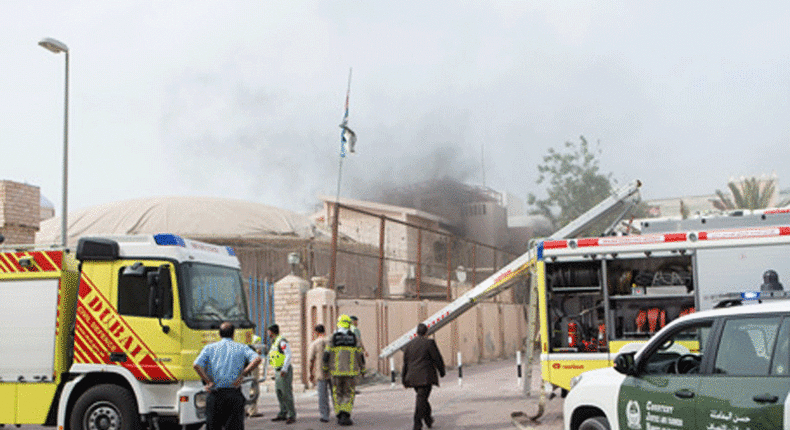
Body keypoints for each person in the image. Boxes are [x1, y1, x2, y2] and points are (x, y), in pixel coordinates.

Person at [193, 322, 262, 430]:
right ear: (233, 334)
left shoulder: (209, 348)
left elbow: (196, 365)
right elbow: (257, 359)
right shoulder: (241, 348)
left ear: (219, 334)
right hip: (233, 394)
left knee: (213, 427)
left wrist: (208, 381)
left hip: (215, 395)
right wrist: (243, 374)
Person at [402, 323, 445, 430]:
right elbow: (437, 358)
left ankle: (428, 419)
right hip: (425, 377)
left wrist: (404, 378)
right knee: (421, 398)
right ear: (426, 332)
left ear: (417, 332)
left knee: (422, 398)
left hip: (412, 377)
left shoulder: (409, 345)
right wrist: (442, 371)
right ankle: (417, 422)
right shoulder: (429, 343)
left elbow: (405, 363)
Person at [323, 314, 364, 426]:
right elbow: (360, 355)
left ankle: (339, 414)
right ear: (349, 324)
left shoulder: (332, 337)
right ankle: (346, 414)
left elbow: (326, 354)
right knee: (349, 393)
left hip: (335, 372)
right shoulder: (354, 338)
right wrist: (363, 369)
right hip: (351, 372)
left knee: (337, 393)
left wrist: (325, 368)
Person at [267, 324, 296, 424]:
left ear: (272, 332)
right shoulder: (274, 342)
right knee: (279, 393)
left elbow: (288, 355)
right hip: (278, 371)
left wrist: (284, 369)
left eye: (268, 331)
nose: (267, 333)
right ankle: (283, 413)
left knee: (286, 393)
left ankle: (291, 415)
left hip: (284, 371)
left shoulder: (282, 341)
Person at [307, 324, 332, 423]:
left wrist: (310, 373)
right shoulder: (330, 342)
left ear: (316, 332)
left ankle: (325, 415)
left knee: (322, 395)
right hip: (332, 372)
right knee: (335, 394)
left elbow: (311, 360)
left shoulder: (315, 343)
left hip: (321, 372)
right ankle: (340, 413)